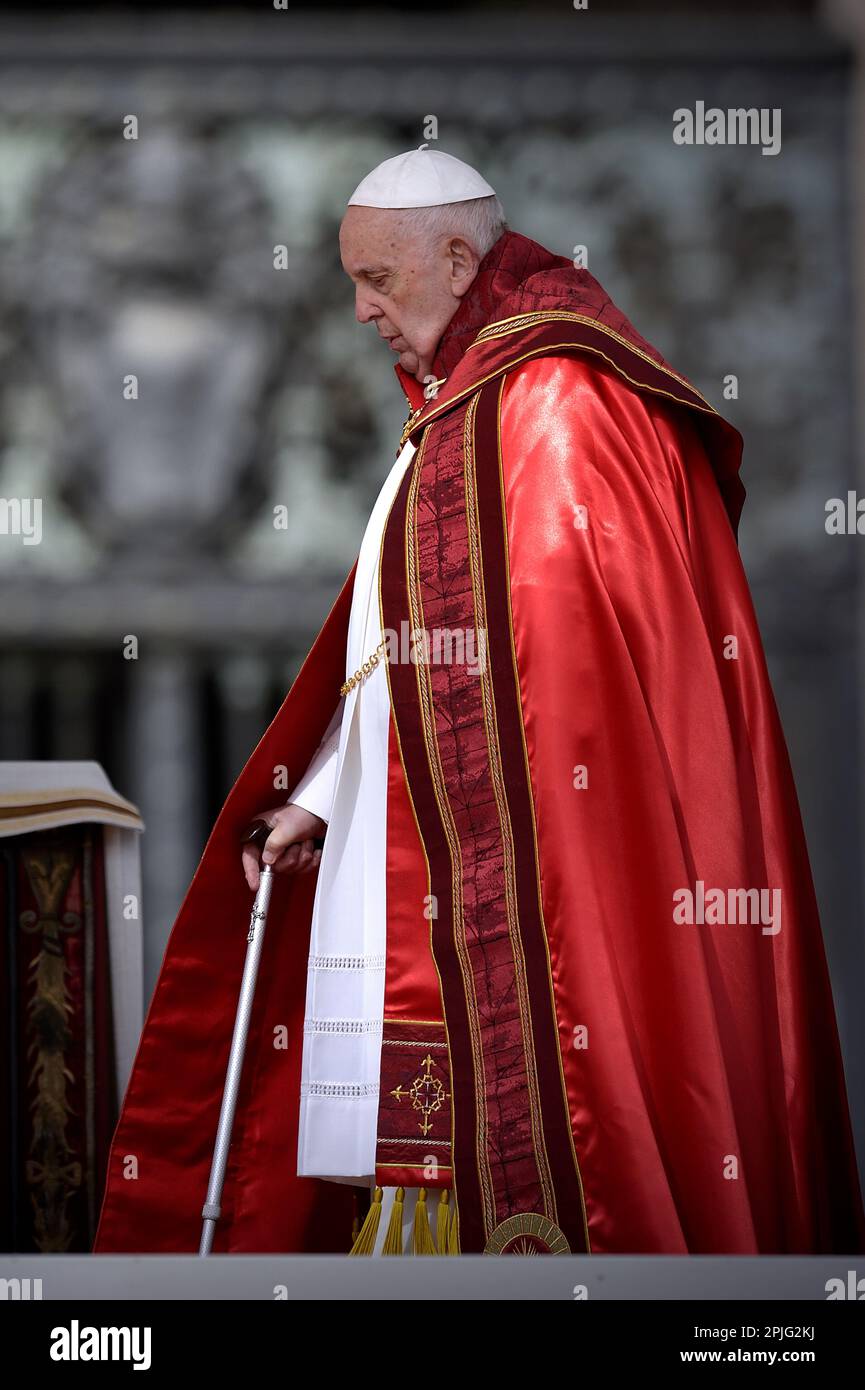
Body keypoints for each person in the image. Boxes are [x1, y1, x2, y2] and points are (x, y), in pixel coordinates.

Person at [94, 147, 865, 1257]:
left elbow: (557, 696)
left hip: (529, 904)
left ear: (458, 261)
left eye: (377, 280)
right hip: (420, 865)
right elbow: (412, 665)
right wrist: (323, 791)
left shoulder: (555, 408)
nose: (360, 311)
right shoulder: (465, 416)